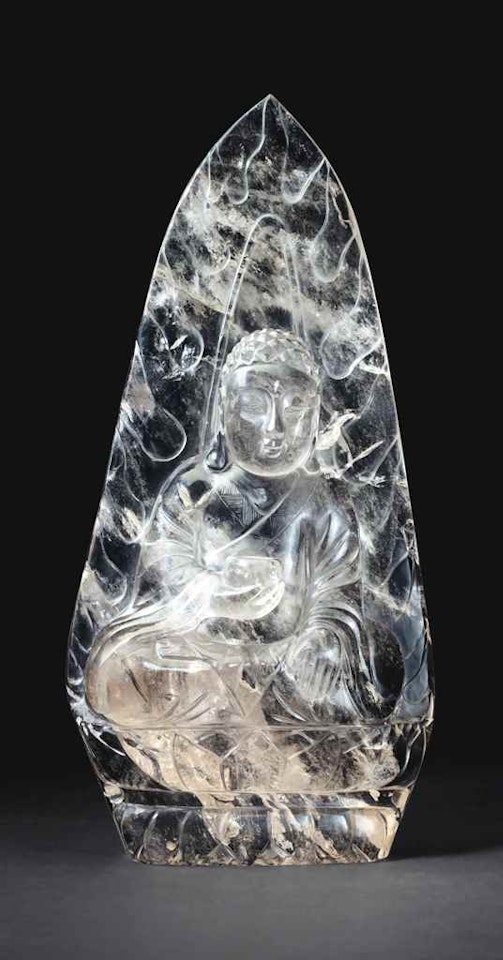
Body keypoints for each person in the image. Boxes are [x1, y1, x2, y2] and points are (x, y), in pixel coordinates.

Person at [86, 329, 379, 737]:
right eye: (255, 404)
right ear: (225, 407)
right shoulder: (194, 491)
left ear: (316, 415)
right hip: (198, 654)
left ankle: (249, 729)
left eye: (295, 406)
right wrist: (213, 591)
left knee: (375, 677)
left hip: (284, 662)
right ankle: (230, 728)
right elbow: (160, 576)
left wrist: (321, 644)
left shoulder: (323, 505)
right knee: (117, 665)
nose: (275, 428)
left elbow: (340, 599)